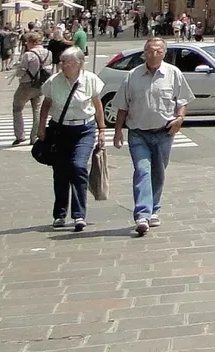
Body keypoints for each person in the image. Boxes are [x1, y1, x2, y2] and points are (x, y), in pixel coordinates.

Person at [112, 37, 192, 238]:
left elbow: (182, 101)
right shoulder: (133, 76)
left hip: (164, 132)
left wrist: (180, 118)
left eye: (158, 51)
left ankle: (154, 208)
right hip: (138, 133)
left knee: (158, 172)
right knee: (142, 171)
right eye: (150, 51)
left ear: (164, 53)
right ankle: (142, 215)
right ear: (144, 53)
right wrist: (118, 131)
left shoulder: (173, 73)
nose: (154, 54)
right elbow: (122, 106)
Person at [33, 48, 104, 232]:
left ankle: (79, 214)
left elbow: (98, 105)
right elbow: (46, 105)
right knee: (61, 172)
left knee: (78, 167)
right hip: (60, 130)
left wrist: (102, 130)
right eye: (63, 62)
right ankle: (60, 214)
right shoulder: (53, 81)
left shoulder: (90, 80)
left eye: (68, 62)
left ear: (79, 63)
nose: (64, 65)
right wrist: (41, 127)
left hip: (84, 129)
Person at [12, 30, 53, 145]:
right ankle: (34, 136)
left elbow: (21, 71)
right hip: (41, 85)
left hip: (27, 84)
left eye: (27, 42)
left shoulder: (28, 55)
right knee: (37, 110)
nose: (26, 44)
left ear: (31, 42)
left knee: (17, 107)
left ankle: (20, 135)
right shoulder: (48, 53)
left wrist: (17, 72)